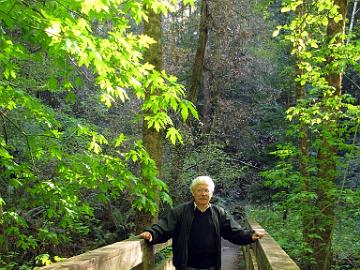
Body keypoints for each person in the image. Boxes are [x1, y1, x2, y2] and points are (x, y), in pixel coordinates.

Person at [139, 175, 265, 270]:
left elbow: (233, 231)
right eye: (199, 190)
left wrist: (250, 235)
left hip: (211, 266)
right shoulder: (180, 212)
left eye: (206, 190)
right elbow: (164, 226)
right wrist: (152, 233)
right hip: (187, 266)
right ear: (193, 193)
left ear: (211, 193)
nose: (203, 194)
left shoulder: (219, 213)